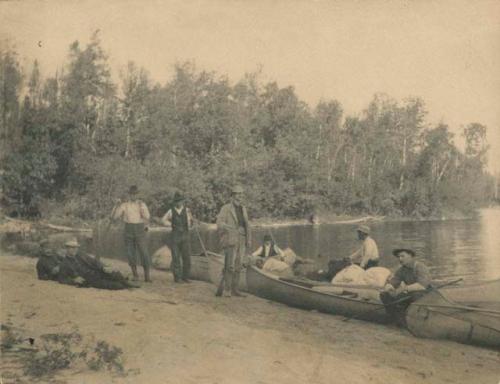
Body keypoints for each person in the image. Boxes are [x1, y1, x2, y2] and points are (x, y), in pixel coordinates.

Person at [58, 238, 137, 290]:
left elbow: (94, 261)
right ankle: (125, 286)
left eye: (76, 247)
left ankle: (128, 284)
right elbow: (62, 279)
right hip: (89, 279)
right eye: (72, 248)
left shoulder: (81, 254)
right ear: (67, 248)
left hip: (97, 272)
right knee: (115, 286)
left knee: (115, 273)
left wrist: (103, 267)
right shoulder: (64, 263)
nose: (74, 249)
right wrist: (74, 280)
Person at [380, 248, 431, 325]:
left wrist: (403, 289)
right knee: (384, 295)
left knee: (416, 295)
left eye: (402, 256)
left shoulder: (420, 267)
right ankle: (397, 320)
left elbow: (422, 285)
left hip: (425, 294)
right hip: (410, 293)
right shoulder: (402, 270)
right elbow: (395, 280)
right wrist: (389, 287)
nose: (400, 259)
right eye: (398, 257)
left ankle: (417, 321)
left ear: (410, 256)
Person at [111, 185, 152, 282]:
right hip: (128, 229)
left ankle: (147, 276)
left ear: (138, 195)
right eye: (131, 194)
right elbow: (114, 217)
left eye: (135, 194)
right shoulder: (124, 205)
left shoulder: (142, 204)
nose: (133, 196)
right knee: (130, 253)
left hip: (139, 229)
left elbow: (147, 216)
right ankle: (135, 275)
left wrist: (142, 207)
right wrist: (116, 205)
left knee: (144, 252)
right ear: (129, 195)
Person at [216, 185, 251, 298]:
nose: (239, 197)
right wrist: (227, 227)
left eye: (241, 194)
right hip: (231, 239)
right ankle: (227, 290)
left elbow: (247, 225)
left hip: (242, 239)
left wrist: (248, 240)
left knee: (239, 265)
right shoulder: (226, 208)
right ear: (232, 196)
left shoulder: (243, 208)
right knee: (229, 265)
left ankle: (235, 290)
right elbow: (219, 223)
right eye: (237, 194)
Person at [161, 192, 194, 283]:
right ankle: (177, 278)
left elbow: (190, 223)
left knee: (186, 257)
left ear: (183, 201)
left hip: (185, 235)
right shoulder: (171, 211)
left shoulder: (187, 210)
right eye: (177, 201)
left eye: (180, 201)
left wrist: (191, 225)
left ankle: (185, 277)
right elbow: (163, 220)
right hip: (175, 236)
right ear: (175, 202)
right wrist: (170, 224)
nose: (178, 203)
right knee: (176, 257)